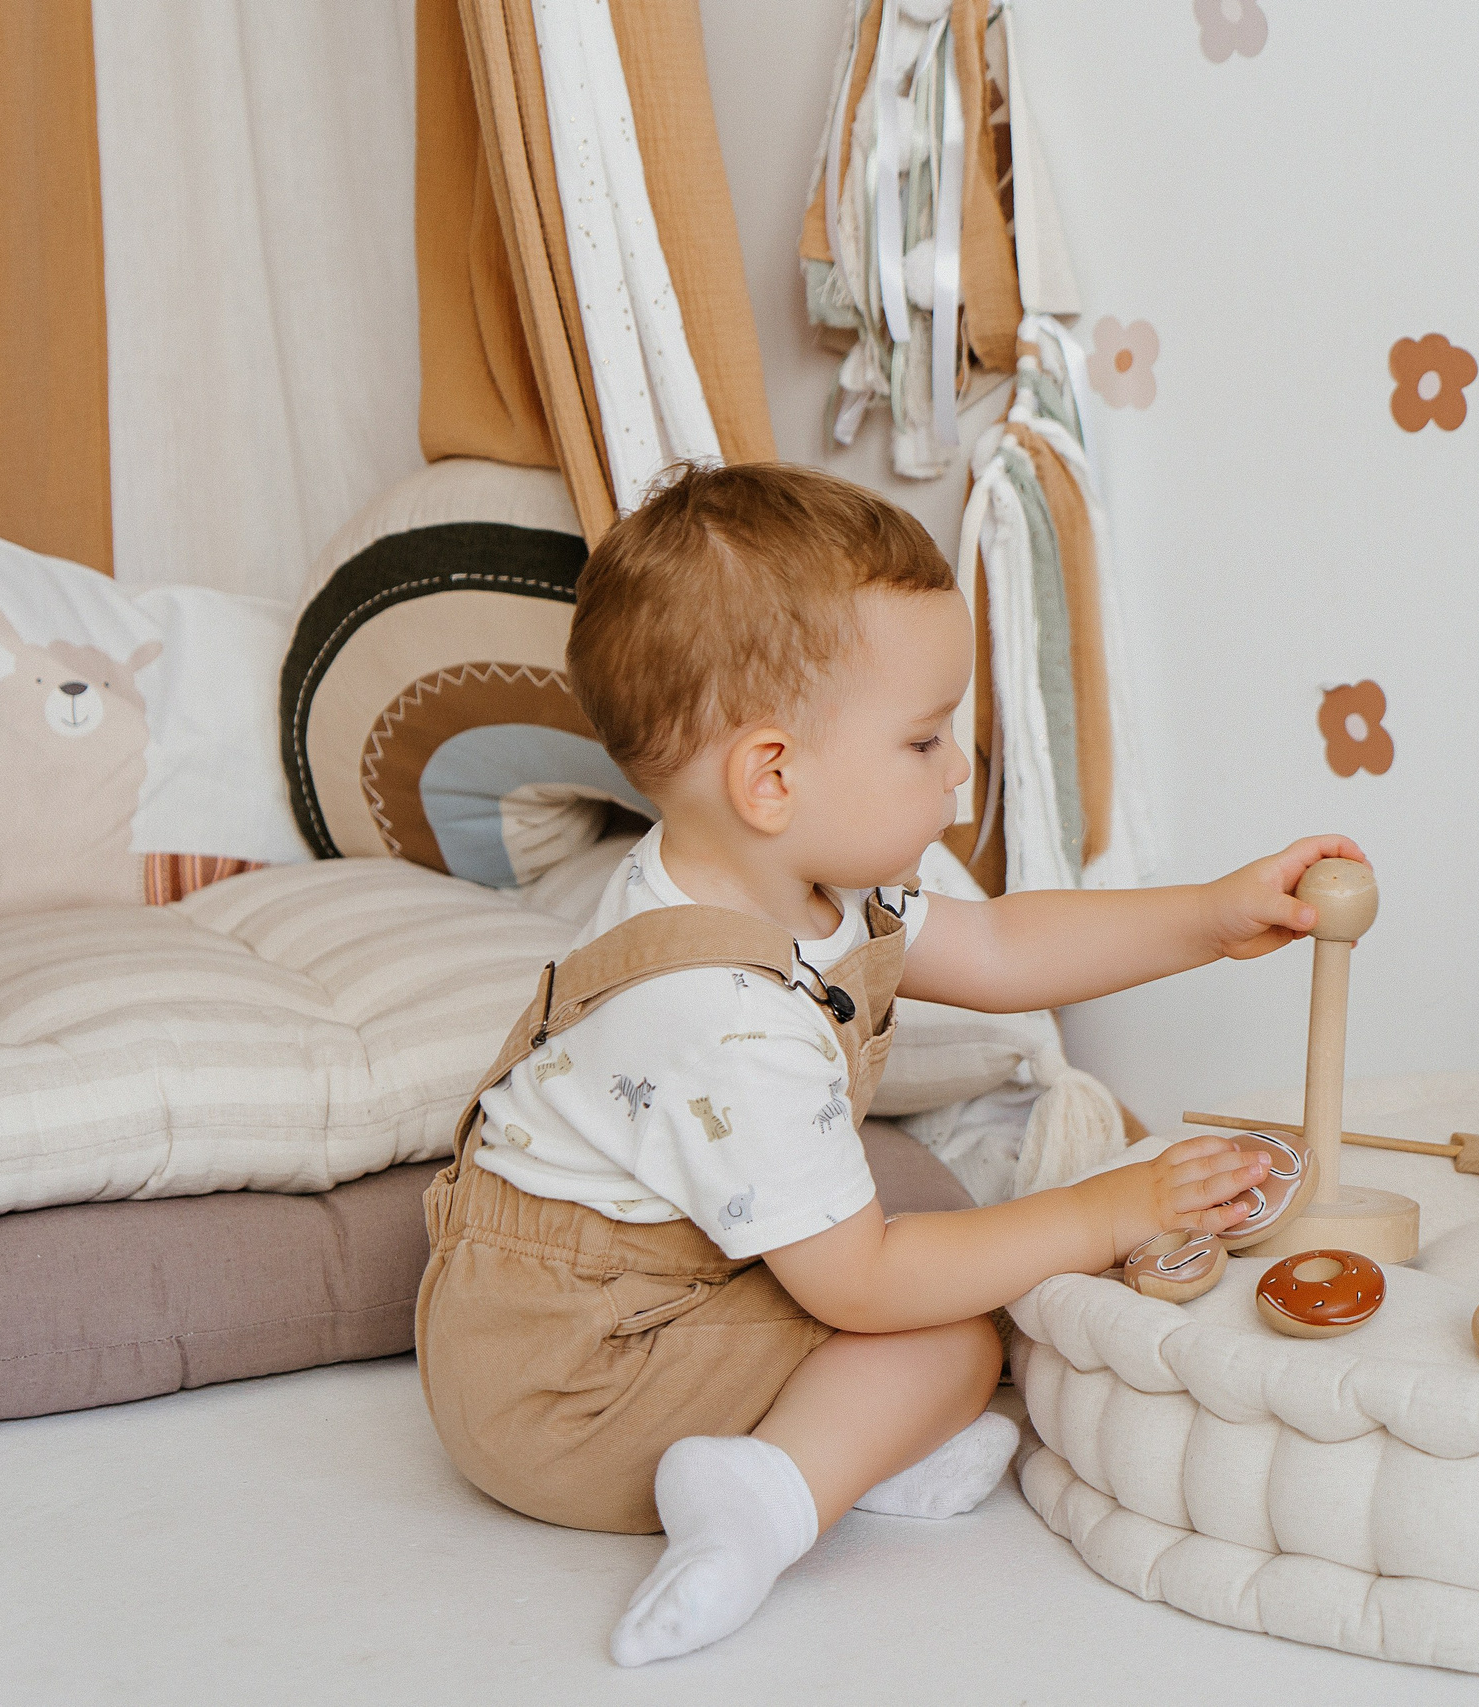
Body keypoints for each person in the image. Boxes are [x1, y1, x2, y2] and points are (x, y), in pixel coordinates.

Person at [413, 460, 1364, 1665]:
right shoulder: (723, 1014)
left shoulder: (797, 873)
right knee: (955, 1337)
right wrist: (1105, 1209)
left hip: (600, 1311)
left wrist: (1209, 917)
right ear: (772, 778)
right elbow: (860, 1283)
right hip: (568, 1391)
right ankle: (758, 1505)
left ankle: (848, 1457)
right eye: (923, 738)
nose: (957, 768)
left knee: (950, 1313)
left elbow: (1002, 941)